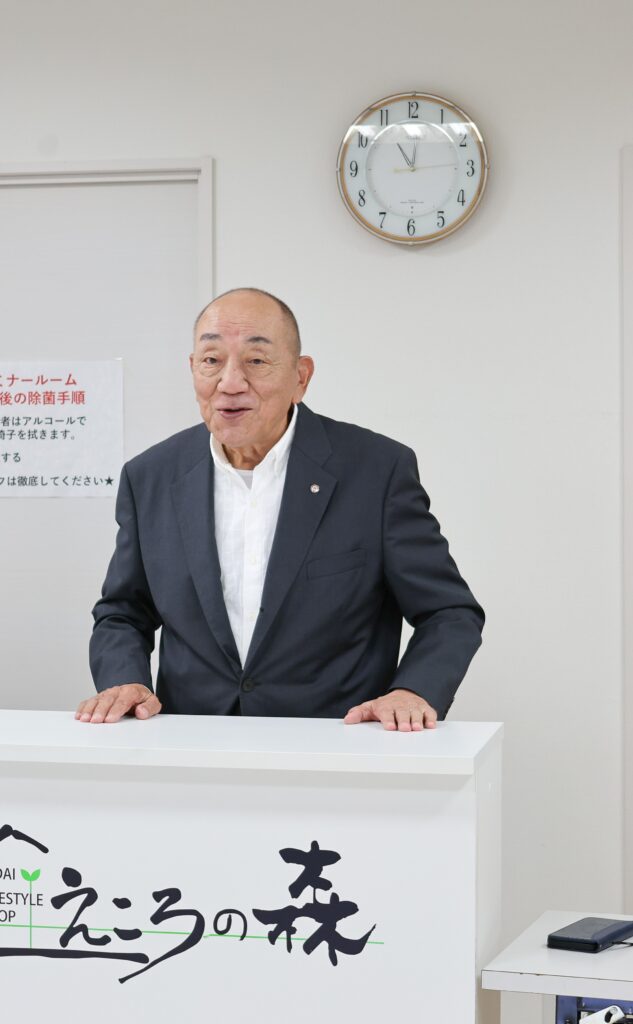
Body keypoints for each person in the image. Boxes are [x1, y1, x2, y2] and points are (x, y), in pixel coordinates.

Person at [76, 288, 484, 731]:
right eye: (211, 360)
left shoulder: (376, 471)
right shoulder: (150, 477)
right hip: (193, 742)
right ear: (193, 369)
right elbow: (122, 612)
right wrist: (126, 679)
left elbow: (448, 612)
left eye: (256, 360)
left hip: (338, 744)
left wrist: (414, 690)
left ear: (301, 377)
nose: (230, 383)